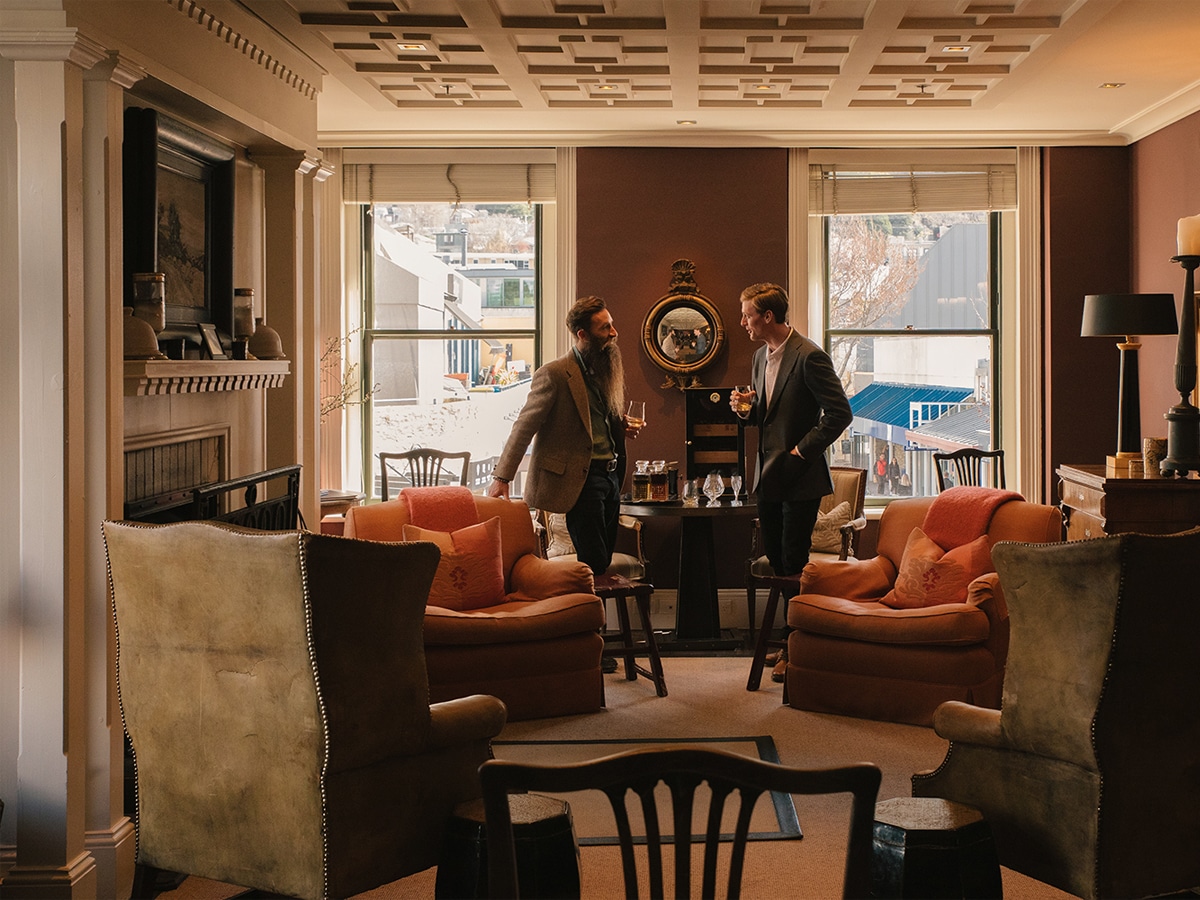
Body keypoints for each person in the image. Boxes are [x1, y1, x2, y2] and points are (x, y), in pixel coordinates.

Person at [729, 283, 852, 683]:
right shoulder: (758, 357)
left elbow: (839, 413)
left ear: (767, 316)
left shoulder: (810, 356)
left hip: (800, 477)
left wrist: (801, 452)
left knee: (795, 563)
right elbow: (764, 418)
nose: (743, 321)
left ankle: (795, 646)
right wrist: (744, 410)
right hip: (767, 477)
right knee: (780, 563)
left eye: (747, 314)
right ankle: (789, 640)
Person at [489, 295, 642, 578]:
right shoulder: (554, 374)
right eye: (605, 328)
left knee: (602, 561)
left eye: (612, 325)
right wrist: (502, 478)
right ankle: (586, 620)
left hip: (610, 477)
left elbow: (597, 420)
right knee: (594, 563)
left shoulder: (603, 370)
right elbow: (524, 426)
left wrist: (622, 427)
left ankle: (590, 618)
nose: (614, 333)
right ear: (582, 334)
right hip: (580, 481)